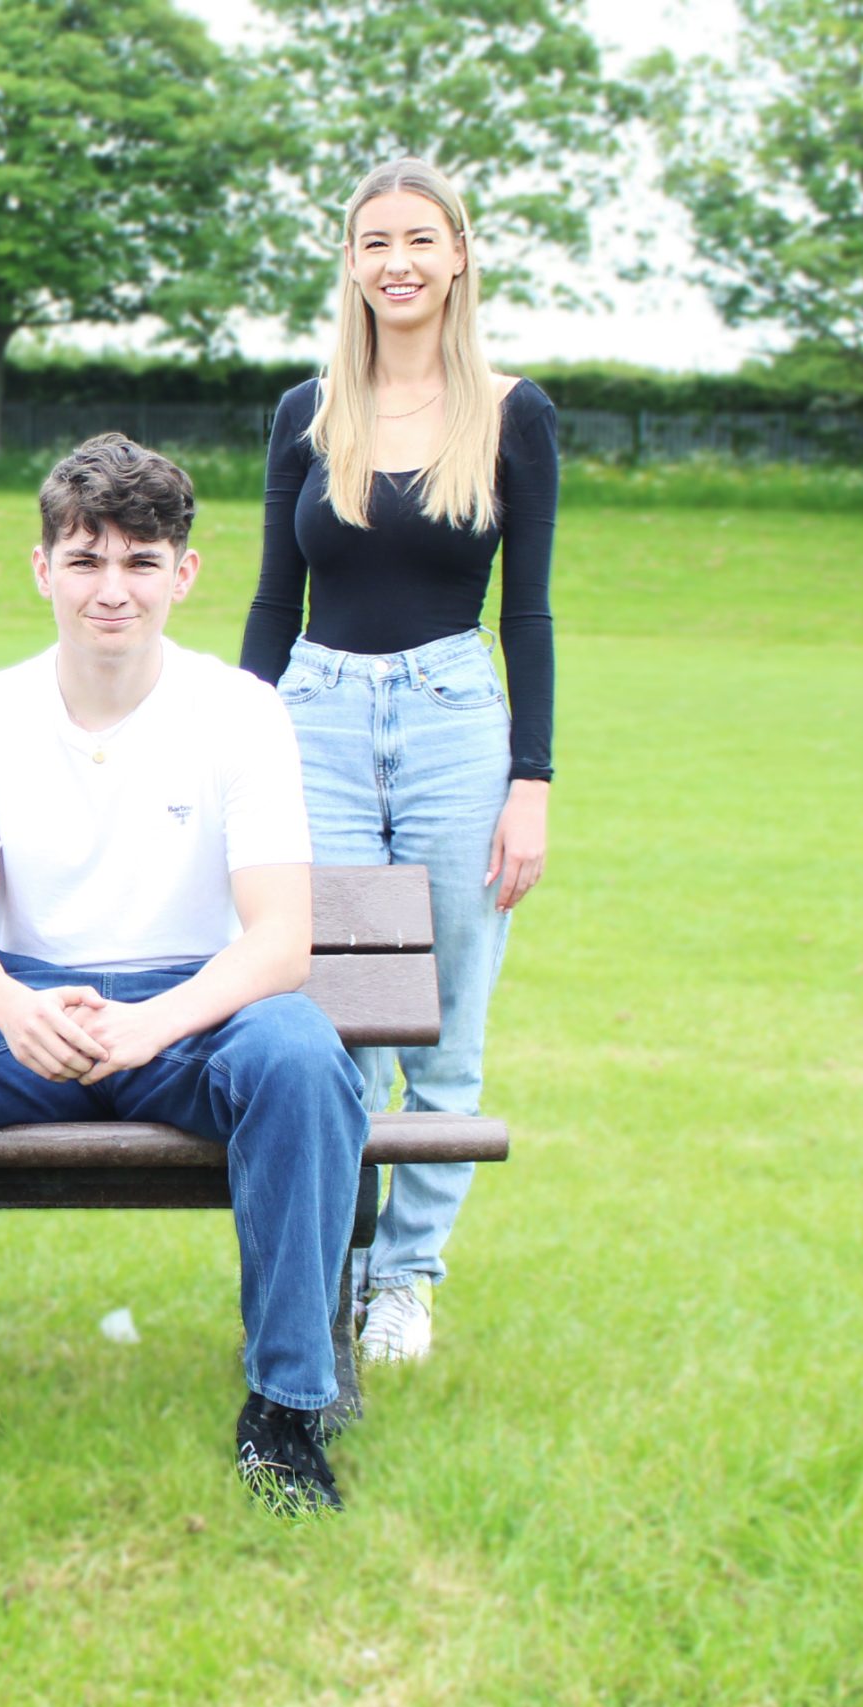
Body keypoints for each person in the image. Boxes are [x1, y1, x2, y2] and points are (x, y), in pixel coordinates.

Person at [0, 435, 369, 1513]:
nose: (112, 589)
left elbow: (279, 941)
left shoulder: (241, 711)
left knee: (304, 1062)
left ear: (183, 573)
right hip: (27, 1000)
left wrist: (154, 1023)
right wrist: (17, 1008)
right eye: (85, 559)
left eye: (140, 561)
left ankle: (286, 1412)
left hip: (193, 1005)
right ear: (43, 569)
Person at [239, 157, 558, 1365]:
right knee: (328, 1025)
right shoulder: (307, 411)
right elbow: (272, 600)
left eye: (421, 239)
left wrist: (531, 782)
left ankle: (406, 1279)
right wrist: (238, 747)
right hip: (312, 721)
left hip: (454, 724)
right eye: (375, 242)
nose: (398, 262)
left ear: (458, 255)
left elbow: (526, 610)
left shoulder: (513, 413)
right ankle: (328, 1268)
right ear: (351, 262)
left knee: (443, 1026)